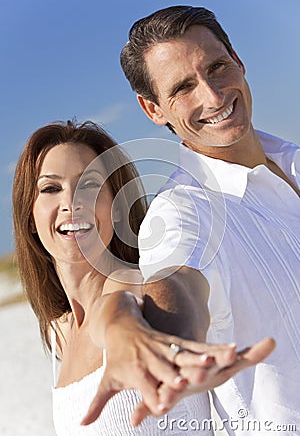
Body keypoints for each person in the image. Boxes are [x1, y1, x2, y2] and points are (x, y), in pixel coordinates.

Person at [13, 120, 273, 435]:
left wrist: (135, 330)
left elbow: (159, 291)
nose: (71, 203)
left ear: (119, 207)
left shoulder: (134, 285)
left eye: (91, 185)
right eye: (51, 188)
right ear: (30, 216)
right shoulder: (59, 333)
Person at [117, 5, 299, 434]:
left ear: (238, 60)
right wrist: (167, 339)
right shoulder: (181, 212)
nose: (213, 97)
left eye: (216, 67)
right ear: (153, 109)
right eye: (182, 87)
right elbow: (178, 280)